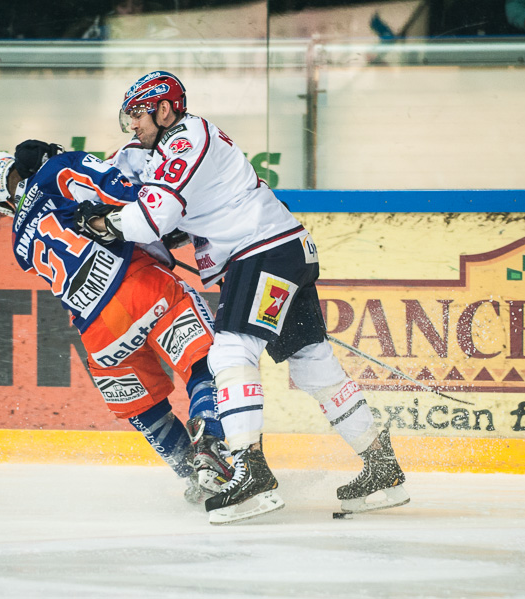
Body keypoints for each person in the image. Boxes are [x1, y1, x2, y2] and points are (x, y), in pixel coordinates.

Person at [74, 71, 409, 525]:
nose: (132, 124)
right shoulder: (162, 147)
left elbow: (154, 216)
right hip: (278, 250)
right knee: (312, 362)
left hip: (262, 251)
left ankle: (252, 473)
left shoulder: (187, 140)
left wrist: (107, 225)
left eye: (138, 114)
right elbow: (137, 191)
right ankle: (382, 467)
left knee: (230, 350)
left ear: (166, 108)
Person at [0, 145, 234, 504]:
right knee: (206, 362)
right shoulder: (58, 169)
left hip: (99, 334)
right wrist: (164, 228)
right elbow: (125, 194)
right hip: (140, 287)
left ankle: (193, 475)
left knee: (145, 409)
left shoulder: (19, 242)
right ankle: (212, 449)